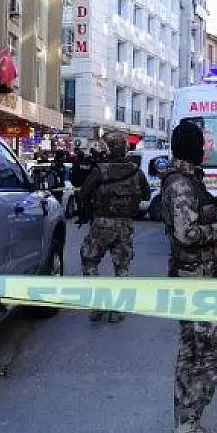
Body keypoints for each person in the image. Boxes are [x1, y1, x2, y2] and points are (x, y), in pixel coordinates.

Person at [161, 121, 217, 433]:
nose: (206, 148)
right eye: (201, 143)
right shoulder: (181, 184)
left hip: (199, 277)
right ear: (190, 146)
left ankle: (187, 424)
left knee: (193, 351)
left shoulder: (190, 179)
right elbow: (187, 234)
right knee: (215, 350)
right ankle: (187, 428)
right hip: (194, 282)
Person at [77, 132, 149, 323]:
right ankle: (119, 310)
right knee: (122, 267)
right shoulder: (136, 171)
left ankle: (98, 303)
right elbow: (146, 195)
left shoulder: (100, 170)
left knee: (90, 260)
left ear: (107, 148)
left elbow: (83, 194)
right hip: (125, 224)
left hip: (102, 223)